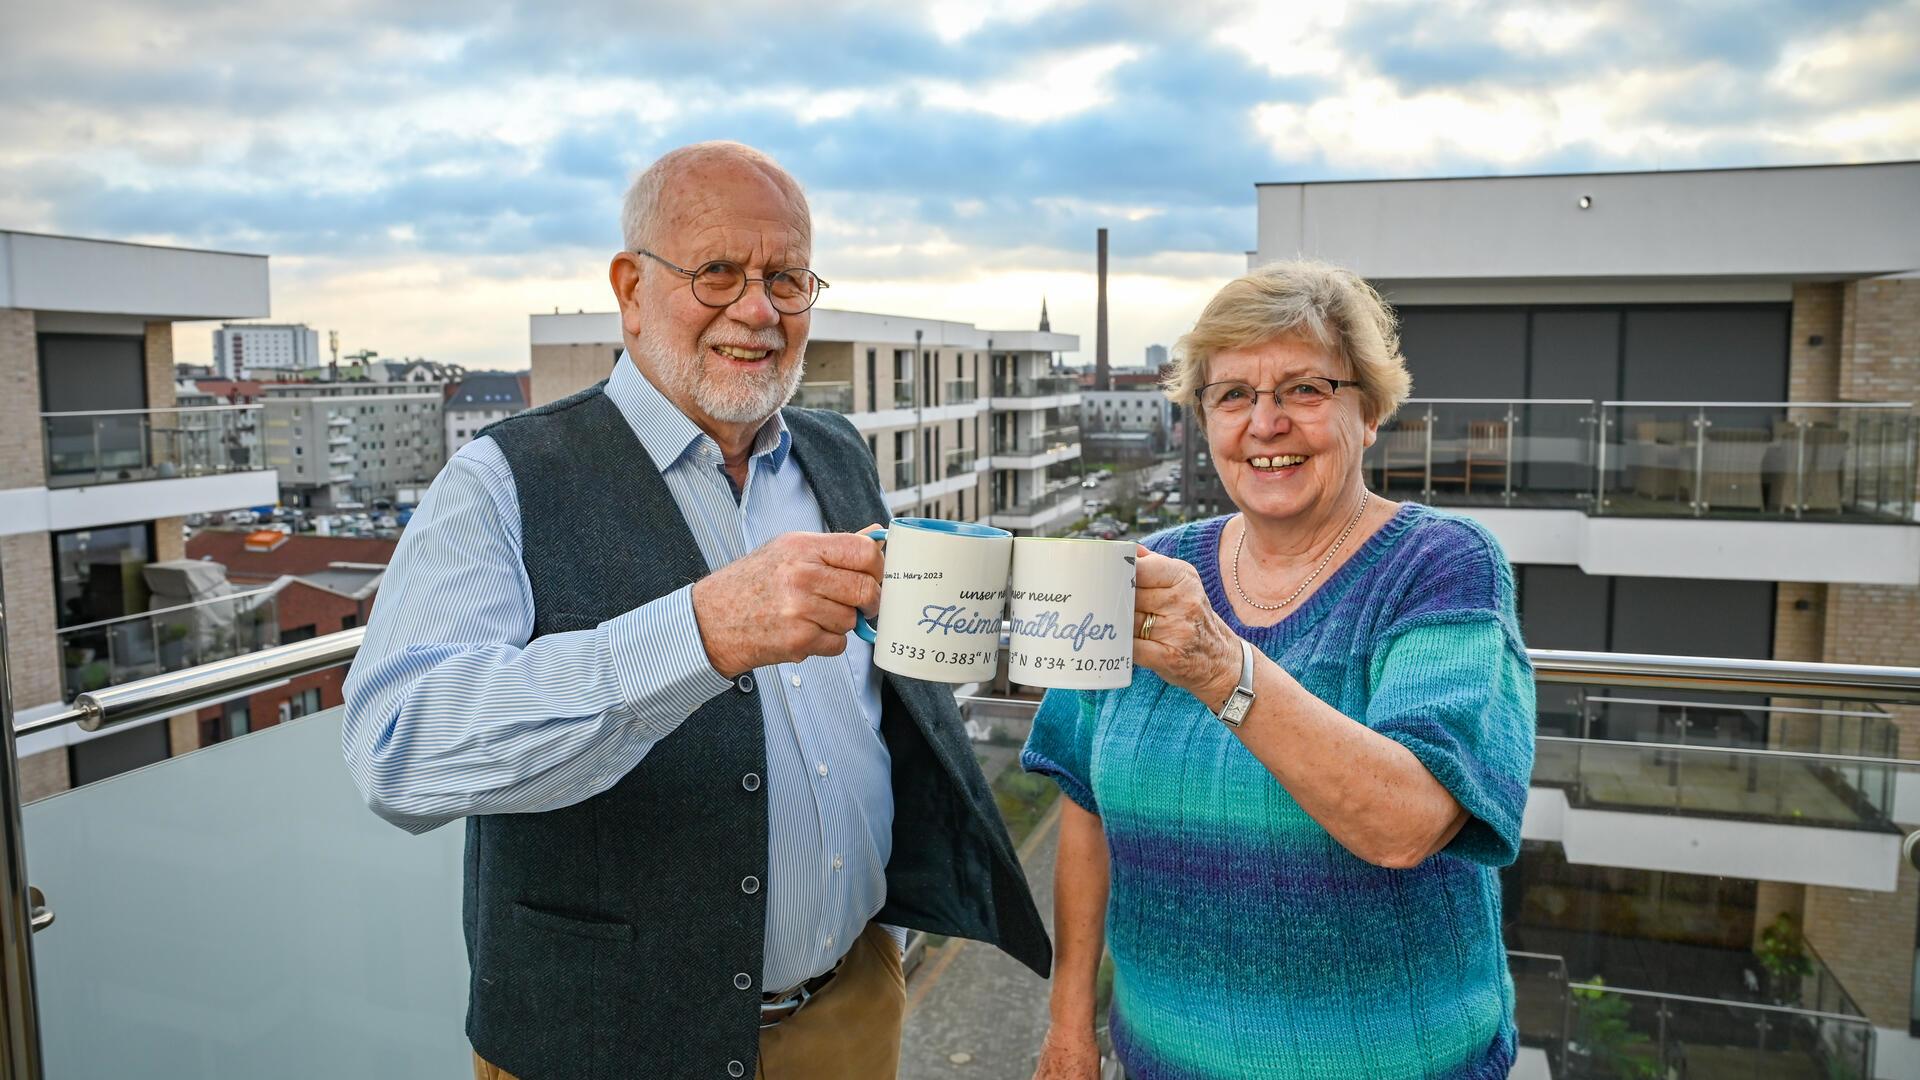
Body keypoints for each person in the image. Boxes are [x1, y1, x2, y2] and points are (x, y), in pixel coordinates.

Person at [341, 141, 1048, 1080]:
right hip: (605, 1047)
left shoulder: (835, 453)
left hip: (850, 1006)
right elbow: (398, 752)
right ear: (631, 289)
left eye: (787, 280)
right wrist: (697, 635)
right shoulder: (501, 479)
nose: (756, 311)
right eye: (718, 272)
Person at [1025, 261, 1535, 1079]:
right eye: (1233, 396)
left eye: (1303, 389)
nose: (1266, 424)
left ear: (1367, 412)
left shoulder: (1442, 566)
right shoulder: (1151, 568)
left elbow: (1407, 825)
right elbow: (1083, 808)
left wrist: (1222, 669)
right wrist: (1068, 1026)